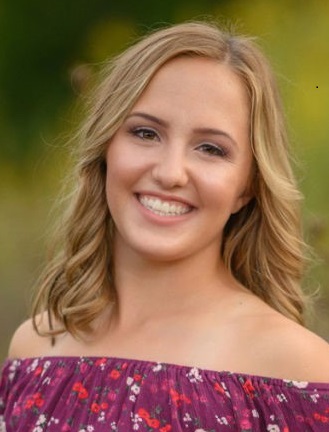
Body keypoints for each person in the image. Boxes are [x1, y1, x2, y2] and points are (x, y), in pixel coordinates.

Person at [1, 20, 329, 432]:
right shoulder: (35, 351)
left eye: (211, 149)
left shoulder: (296, 372)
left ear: (248, 186)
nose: (171, 173)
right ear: (105, 151)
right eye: (145, 133)